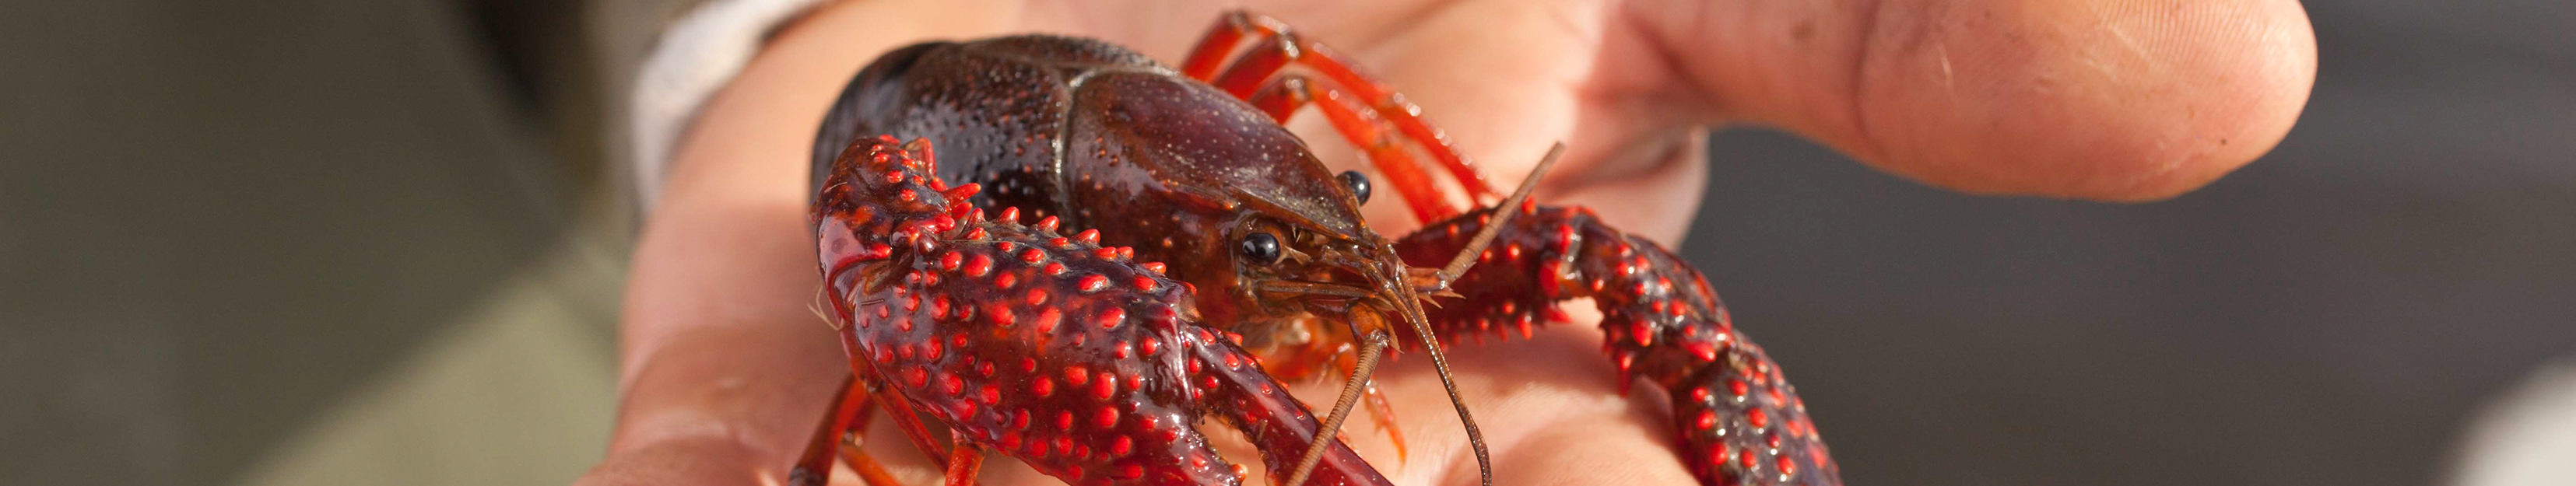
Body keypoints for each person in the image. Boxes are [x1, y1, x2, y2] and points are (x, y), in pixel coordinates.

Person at [578, 1, 2317, 484]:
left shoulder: (1261, 174)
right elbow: (887, 250)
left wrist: (1393, 210)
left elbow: (1596, 268)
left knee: (1595, 261)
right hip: (893, 112)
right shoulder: (955, 211)